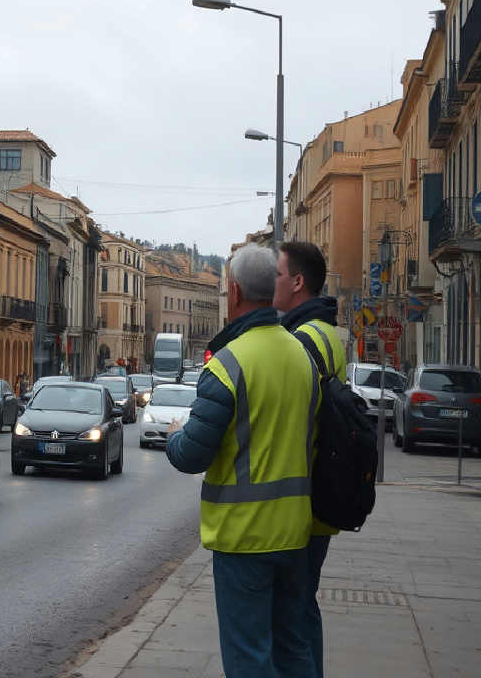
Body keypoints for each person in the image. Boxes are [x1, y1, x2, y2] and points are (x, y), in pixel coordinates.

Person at [165, 243, 320, 677]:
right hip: (295, 530)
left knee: (248, 657)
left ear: (233, 292)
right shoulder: (303, 356)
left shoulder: (228, 364)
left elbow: (191, 455)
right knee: (295, 649)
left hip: (244, 537)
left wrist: (174, 437)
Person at [274, 241, 346, 678]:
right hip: (318, 498)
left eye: (278, 274)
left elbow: (293, 422)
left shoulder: (304, 340)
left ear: (298, 282)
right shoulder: (324, 332)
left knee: (290, 621)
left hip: (304, 503)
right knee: (303, 609)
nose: (273, 282)